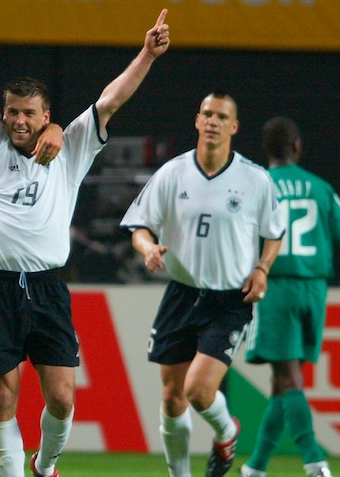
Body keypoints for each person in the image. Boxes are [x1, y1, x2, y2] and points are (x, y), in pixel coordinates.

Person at [0, 0, 169, 477]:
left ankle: (45, 467)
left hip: (48, 287)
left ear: (47, 115)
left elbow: (111, 100)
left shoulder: (70, 149)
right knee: (2, 395)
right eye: (12, 113)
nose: (18, 121)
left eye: (29, 113)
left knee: (63, 399)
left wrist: (148, 55)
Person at [120, 92, 285, 477]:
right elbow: (139, 226)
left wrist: (262, 267)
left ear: (234, 127)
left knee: (197, 391)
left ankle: (227, 432)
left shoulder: (255, 179)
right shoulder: (172, 173)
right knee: (173, 398)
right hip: (181, 293)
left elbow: (274, 231)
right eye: (207, 114)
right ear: (197, 121)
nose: (212, 121)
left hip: (230, 300)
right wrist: (147, 248)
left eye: (221, 116)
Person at [241, 116, 340, 477]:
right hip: (314, 289)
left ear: (266, 150)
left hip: (275, 286)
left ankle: (315, 463)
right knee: (284, 380)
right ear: (297, 147)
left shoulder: (257, 185)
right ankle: (254, 468)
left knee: (287, 379)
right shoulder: (321, 188)